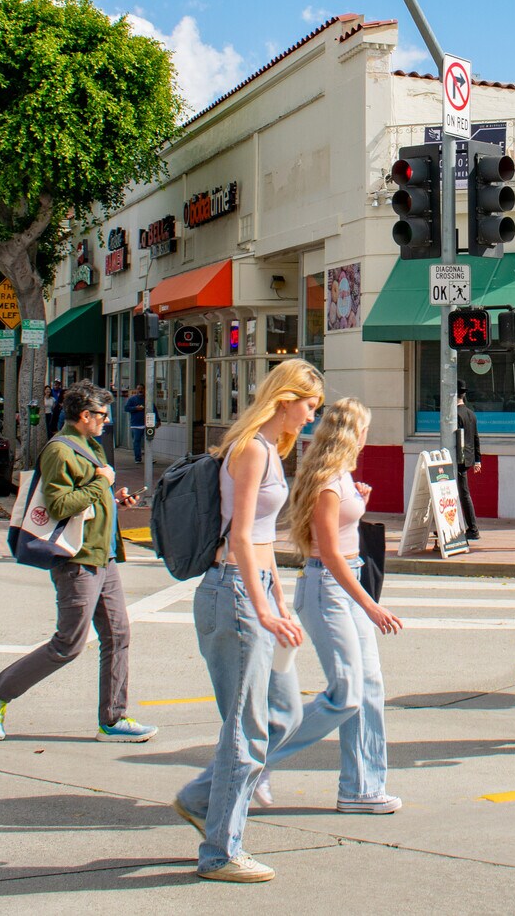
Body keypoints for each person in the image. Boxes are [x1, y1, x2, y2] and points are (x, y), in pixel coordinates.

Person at [174, 358, 322, 884]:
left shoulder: (272, 452)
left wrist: (279, 600)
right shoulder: (251, 449)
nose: (310, 417)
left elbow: (263, 539)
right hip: (233, 592)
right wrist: (262, 607)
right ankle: (221, 852)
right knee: (247, 726)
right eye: (308, 406)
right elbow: (238, 536)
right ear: (285, 400)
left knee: (285, 715)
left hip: (253, 588)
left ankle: (198, 797)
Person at [0, 386, 154, 745]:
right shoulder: (60, 450)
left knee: (118, 636)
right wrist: (100, 484)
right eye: (103, 415)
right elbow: (59, 505)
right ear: (85, 416)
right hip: (76, 560)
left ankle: (113, 719)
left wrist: (115, 498)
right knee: (68, 644)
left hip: (103, 557)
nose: (108, 421)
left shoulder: (93, 447)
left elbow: (89, 496)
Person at [265, 398, 404, 811]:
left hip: (346, 583)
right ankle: (254, 758)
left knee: (369, 688)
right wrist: (371, 606)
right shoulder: (327, 480)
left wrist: (357, 499)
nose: (368, 438)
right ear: (353, 433)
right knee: (346, 693)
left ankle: (363, 788)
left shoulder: (340, 476)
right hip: (330, 589)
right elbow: (327, 553)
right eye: (365, 430)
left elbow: (340, 532)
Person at [454, 387, 481, 541]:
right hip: (468, 458)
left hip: (459, 459)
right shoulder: (471, 414)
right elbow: (476, 437)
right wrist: (478, 459)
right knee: (460, 492)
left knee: (463, 493)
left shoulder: (456, 415)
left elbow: (457, 440)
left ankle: (473, 528)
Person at [125, 387, 147, 473]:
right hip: (135, 425)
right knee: (136, 442)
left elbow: (154, 409)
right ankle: (138, 458)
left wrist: (158, 420)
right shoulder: (132, 399)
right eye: (138, 389)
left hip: (146, 424)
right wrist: (135, 408)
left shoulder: (147, 399)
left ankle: (149, 457)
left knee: (148, 441)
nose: (140, 390)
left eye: (142, 389)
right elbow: (126, 408)